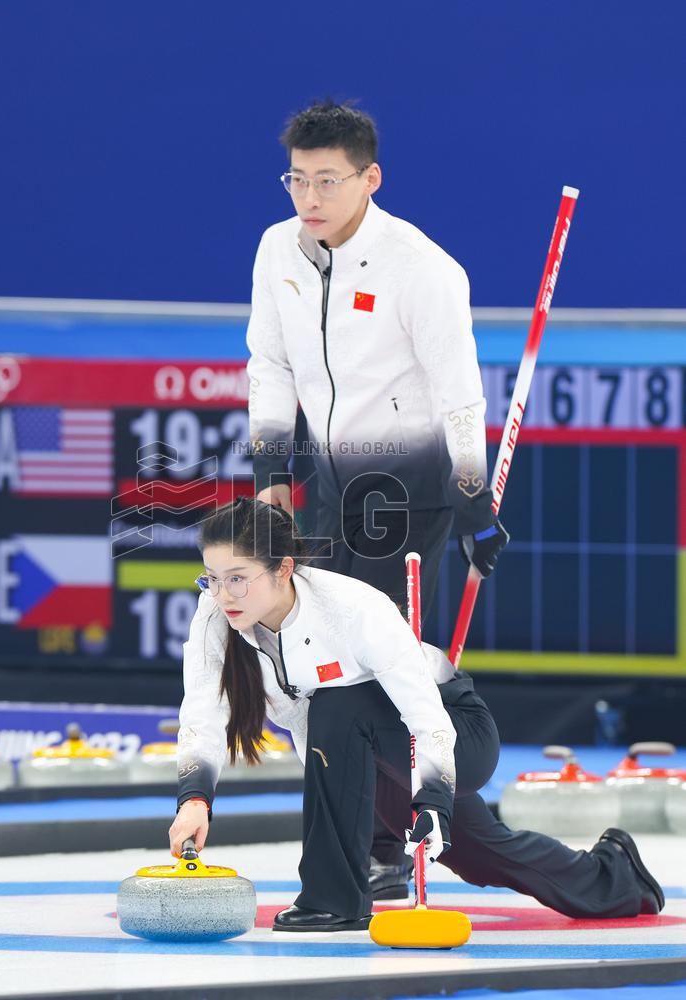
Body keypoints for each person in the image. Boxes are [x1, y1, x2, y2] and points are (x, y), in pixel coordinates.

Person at [169, 499, 664, 932]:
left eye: (237, 579)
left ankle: (333, 900)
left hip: (453, 731)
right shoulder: (215, 618)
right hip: (365, 747)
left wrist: (434, 799)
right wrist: (195, 799)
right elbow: (203, 712)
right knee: (479, 855)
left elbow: (427, 716)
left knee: (337, 700)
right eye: (211, 579)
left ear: (282, 568)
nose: (223, 594)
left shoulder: (353, 609)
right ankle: (614, 877)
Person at [246, 99, 509, 896]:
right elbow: (270, 366)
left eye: (328, 180)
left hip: (413, 495)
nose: (310, 198)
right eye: (297, 179)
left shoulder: (423, 268)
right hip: (326, 486)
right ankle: (359, 831)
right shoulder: (275, 250)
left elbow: (459, 392)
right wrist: (269, 478)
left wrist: (473, 500)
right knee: (324, 661)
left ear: (370, 179)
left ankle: (391, 840)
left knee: (388, 666)